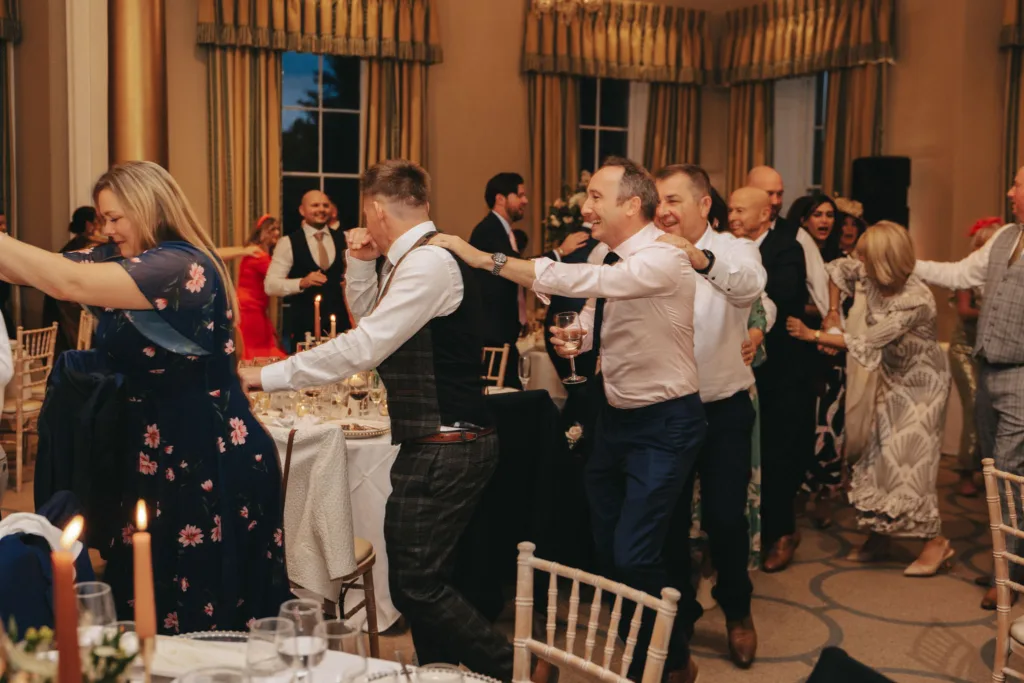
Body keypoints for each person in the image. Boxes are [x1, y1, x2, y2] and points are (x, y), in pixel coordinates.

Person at [240, 160, 524, 681]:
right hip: (437, 439)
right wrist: (361, 263)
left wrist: (266, 377)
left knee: (416, 584)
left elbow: (366, 345)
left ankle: (520, 671)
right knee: (427, 577)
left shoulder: (428, 263)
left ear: (373, 209)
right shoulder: (412, 257)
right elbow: (375, 321)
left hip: (448, 442)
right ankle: (436, 672)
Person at [432, 157, 706, 683]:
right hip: (614, 420)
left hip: (666, 423)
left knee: (633, 553)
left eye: (597, 196)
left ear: (632, 204)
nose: (586, 207)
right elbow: (595, 311)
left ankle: (665, 659)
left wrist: (483, 258)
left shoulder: (666, 257)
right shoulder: (609, 256)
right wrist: (577, 335)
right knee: (605, 548)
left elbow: (593, 280)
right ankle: (653, 647)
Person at [0, 161, 289, 631]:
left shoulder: (179, 265)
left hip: (207, 454)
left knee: (202, 604)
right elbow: (28, 272)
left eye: (116, 218)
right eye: (103, 219)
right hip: (156, 448)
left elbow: (66, 281)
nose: (108, 230)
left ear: (149, 207)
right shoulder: (128, 260)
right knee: (152, 592)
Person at [788, 221, 953, 576]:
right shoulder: (869, 272)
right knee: (879, 457)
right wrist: (834, 311)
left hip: (923, 388)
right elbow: (837, 269)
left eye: (865, 255)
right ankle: (880, 536)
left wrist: (812, 334)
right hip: (892, 378)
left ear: (884, 259)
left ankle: (935, 541)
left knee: (910, 464)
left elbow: (868, 341)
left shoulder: (915, 300)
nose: (858, 260)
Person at [654, 164, 766, 669]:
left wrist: (699, 258)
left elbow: (749, 286)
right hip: (667, 410)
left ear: (703, 205)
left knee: (725, 518)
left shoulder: (736, 249)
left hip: (724, 408)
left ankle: (737, 610)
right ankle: (679, 620)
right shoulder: (650, 250)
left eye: (673, 200)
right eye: (659, 200)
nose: (663, 210)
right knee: (670, 522)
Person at [912, 166, 1024, 606]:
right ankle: (1008, 564)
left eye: (1017, 185)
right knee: (995, 472)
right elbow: (960, 274)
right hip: (988, 370)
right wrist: (908, 265)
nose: (1010, 192)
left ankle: (1007, 578)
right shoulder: (1005, 237)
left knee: (1011, 475)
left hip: (1021, 374)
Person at [736, 185, 813, 573]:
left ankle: (783, 533)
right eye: (731, 210)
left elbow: (780, 297)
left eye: (740, 210)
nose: (733, 217)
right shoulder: (730, 247)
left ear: (765, 214)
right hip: (743, 367)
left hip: (781, 371)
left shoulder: (786, 248)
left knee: (776, 454)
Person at [796, 195, 845, 527]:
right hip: (803, 348)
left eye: (829, 215)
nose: (824, 220)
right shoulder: (796, 254)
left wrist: (834, 318)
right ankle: (801, 488)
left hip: (836, 351)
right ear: (803, 220)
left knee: (832, 422)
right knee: (804, 420)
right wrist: (819, 312)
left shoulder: (841, 259)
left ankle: (827, 492)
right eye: (817, 214)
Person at [948, 218, 1000, 497]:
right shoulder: (967, 274)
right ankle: (965, 470)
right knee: (972, 406)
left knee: (988, 410)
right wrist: (996, 312)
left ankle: (985, 468)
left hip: (988, 351)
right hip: (964, 350)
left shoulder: (1001, 275)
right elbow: (964, 311)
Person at [265, 190, 352, 349]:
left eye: (325, 205)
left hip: (340, 326)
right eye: (315, 205)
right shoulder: (288, 242)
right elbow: (270, 285)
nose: (321, 209)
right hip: (304, 327)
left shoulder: (345, 238)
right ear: (302, 210)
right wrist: (301, 282)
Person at [469, 173, 530, 389]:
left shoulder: (504, 231)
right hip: (492, 334)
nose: (525, 200)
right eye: (520, 195)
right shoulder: (488, 231)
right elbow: (506, 266)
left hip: (503, 332)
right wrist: (558, 253)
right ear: (500, 199)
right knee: (504, 395)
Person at [237, 215, 286, 360]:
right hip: (250, 309)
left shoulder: (257, 253)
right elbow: (279, 278)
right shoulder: (258, 255)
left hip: (252, 308)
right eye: (272, 229)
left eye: (277, 229)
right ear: (262, 233)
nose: (277, 233)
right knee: (257, 350)